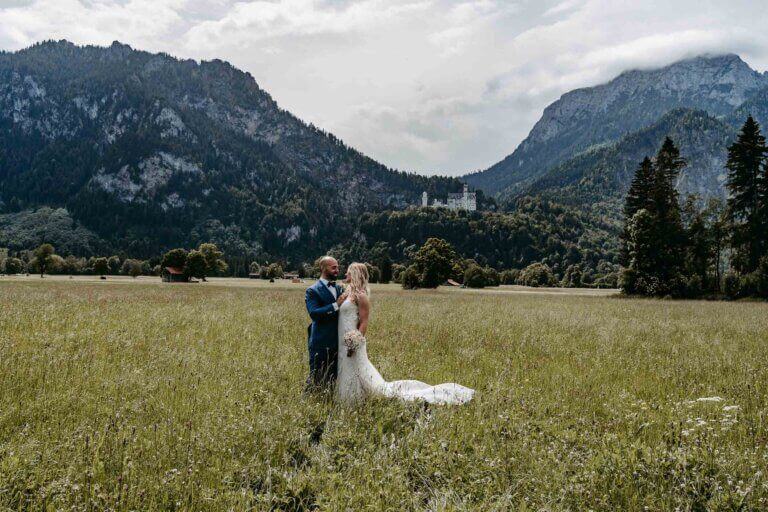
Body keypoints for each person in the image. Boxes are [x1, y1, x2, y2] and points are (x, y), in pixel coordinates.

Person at [336, 262, 474, 405]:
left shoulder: (361, 296)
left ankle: (354, 400)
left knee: (357, 370)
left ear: (355, 274)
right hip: (342, 340)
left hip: (353, 342)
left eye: (348, 272)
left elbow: (364, 322)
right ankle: (350, 398)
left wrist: (355, 341)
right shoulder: (346, 294)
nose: (345, 274)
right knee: (348, 369)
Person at [305, 256, 347, 391]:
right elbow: (314, 314)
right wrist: (336, 305)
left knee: (334, 379)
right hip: (320, 343)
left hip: (338, 343)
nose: (337, 270)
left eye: (338, 267)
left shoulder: (340, 288)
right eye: (333, 267)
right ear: (323, 268)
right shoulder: (312, 291)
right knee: (317, 378)